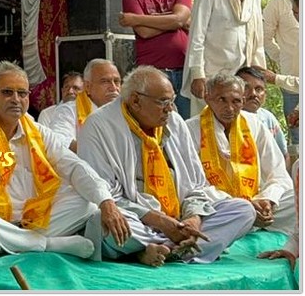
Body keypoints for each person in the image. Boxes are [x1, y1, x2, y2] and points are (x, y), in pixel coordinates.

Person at [78, 66, 256, 267]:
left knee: (243, 210)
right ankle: (178, 248)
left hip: (178, 216)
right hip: (139, 220)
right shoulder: (98, 126)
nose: (170, 109)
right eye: (163, 102)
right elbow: (106, 196)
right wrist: (161, 221)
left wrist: (193, 218)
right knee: (103, 221)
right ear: (136, 101)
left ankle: (161, 251)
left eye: (171, 101)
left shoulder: (174, 121)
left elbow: (196, 185)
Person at [0, 61, 124, 261]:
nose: (16, 99)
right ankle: (47, 244)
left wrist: (106, 201)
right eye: (7, 92)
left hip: (32, 214)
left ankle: (11, 242)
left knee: (89, 203)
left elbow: (73, 166)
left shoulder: (36, 131)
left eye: (22, 94)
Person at [185, 72, 294, 235]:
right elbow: (193, 185)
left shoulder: (254, 124)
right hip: (220, 205)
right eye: (222, 100)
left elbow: (277, 173)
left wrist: (267, 199)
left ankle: (257, 219)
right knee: (213, 207)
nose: (229, 108)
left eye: (236, 101)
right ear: (208, 98)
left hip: (256, 199)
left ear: (243, 101)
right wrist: (243, 205)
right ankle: (245, 220)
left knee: (297, 196)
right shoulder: (190, 129)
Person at [184, 0, 271, 110]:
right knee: (207, 128)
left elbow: (256, 37)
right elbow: (197, 34)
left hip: (240, 76)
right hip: (210, 74)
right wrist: (197, 74)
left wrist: (257, 74)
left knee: (239, 128)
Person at [120, 0, 194, 117]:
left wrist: (137, 18)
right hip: (153, 71)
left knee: (187, 123)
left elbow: (179, 19)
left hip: (184, 70)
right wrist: (175, 21)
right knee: (158, 123)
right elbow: (144, 32)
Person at [44, 59, 121, 152]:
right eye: (105, 81)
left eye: (116, 81)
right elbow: (58, 141)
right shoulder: (69, 110)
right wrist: (99, 152)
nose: (113, 88)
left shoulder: (127, 111)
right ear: (88, 87)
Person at [263, 0, 299, 143]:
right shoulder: (278, 2)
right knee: (297, 136)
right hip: (290, 81)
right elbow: (265, 37)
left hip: (288, 79)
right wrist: (282, 58)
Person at [236, 65, 289, 158]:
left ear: (265, 94)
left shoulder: (268, 118)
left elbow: (284, 155)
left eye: (258, 89)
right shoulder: (228, 118)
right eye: (246, 88)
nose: (253, 94)